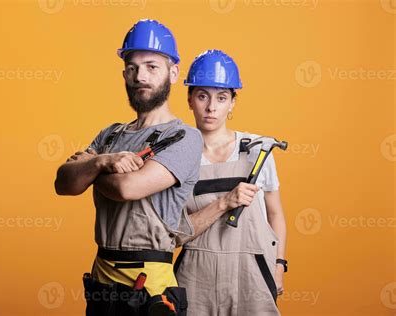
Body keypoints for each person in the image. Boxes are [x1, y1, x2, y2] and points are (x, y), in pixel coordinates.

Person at [54, 19, 202, 316]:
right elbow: (63, 184)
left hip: (148, 283)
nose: (140, 76)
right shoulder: (110, 135)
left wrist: (88, 172)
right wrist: (102, 161)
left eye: (151, 66)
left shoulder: (184, 137)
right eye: (132, 68)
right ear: (124, 74)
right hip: (101, 277)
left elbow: (127, 188)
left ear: (173, 73)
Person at [174, 50, 288, 315]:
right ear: (190, 99)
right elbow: (173, 232)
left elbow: (276, 214)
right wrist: (225, 202)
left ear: (233, 103)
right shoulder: (177, 156)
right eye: (203, 96)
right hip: (194, 276)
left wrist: (279, 266)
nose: (211, 107)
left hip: (253, 275)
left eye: (222, 98)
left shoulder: (259, 152)